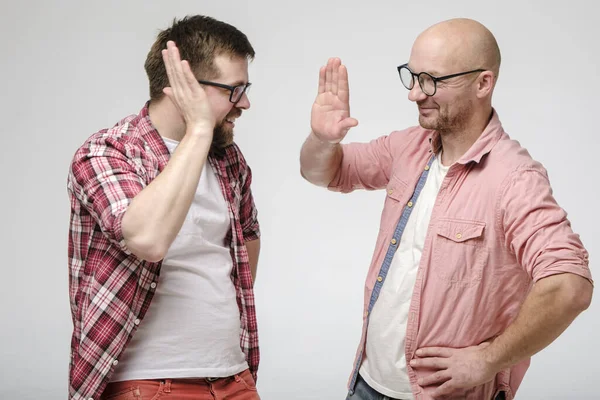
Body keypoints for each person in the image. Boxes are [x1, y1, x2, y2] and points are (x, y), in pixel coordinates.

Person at [300, 18, 593, 400]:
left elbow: (570, 285)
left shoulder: (515, 178)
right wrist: (323, 140)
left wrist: (488, 359)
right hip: (368, 383)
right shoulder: (408, 146)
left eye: (432, 80)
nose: (415, 94)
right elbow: (323, 172)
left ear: (483, 83)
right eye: (413, 76)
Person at [67, 15, 261, 400]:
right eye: (234, 90)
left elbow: (247, 239)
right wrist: (200, 129)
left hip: (233, 377)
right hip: (149, 382)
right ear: (183, 86)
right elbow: (148, 239)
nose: (246, 103)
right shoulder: (106, 153)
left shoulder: (228, 159)